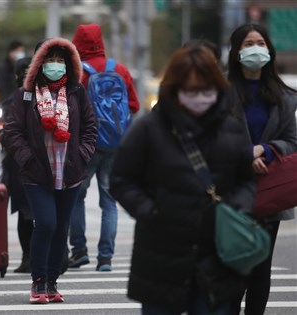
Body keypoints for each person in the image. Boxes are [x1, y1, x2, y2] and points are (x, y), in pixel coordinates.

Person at [109, 46, 256, 314]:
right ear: (174, 90)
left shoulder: (231, 128)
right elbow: (121, 179)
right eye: (191, 90)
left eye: (206, 89)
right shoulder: (149, 129)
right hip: (162, 253)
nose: (200, 97)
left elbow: (246, 181)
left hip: (216, 252)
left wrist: (235, 207)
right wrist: (150, 211)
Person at [3, 37, 97, 304]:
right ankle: (38, 281)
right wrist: (27, 159)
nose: (55, 65)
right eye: (49, 59)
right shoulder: (26, 93)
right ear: (38, 63)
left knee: (61, 228)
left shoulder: (77, 91)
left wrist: (83, 155)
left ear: (68, 63)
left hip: (69, 171)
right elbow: (12, 132)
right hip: (37, 173)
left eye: (59, 60)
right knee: (45, 224)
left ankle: (52, 282)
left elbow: (91, 127)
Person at [227, 23, 297, 315]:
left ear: (269, 49)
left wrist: (266, 151)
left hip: (269, 190)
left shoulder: (283, 96)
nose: (255, 48)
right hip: (230, 192)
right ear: (236, 51)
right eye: (247, 44)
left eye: (260, 43)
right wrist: (245, 155)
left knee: (260, 268)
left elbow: (292, 140)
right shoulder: (219, 92)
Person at [69, 23, 140, 271]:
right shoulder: (119, 69)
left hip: (87, 145)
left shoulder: (79, 73)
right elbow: (134, 105)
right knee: (109, 201)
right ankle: (106, 258)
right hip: (116, 144)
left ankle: (78, 251)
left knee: (76, 196)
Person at [0, 56, 33, 273]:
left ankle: (29, 257)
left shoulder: (13, 100)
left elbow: (8, 134)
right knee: (28, 213)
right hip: (26, 163)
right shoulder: (35, 97)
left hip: (21, 164)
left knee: (26, 213)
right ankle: (30, 257)